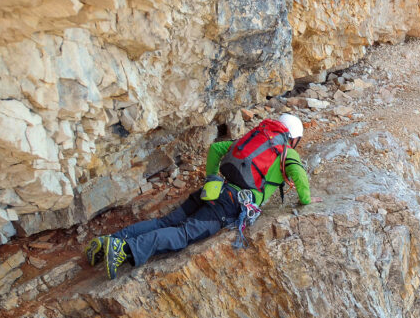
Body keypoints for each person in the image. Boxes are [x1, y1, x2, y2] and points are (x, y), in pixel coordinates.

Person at [84, 113, 311, 279]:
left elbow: (216, 149)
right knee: (183, 234)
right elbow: (300, 179)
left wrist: (211, 179)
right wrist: (306, 201)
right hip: (228, 206)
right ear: (294, 138)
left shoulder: (255, 142)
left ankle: (111, 240)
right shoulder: (286, 153)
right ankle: (124, 250)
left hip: (214, 190)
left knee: (167, 222)